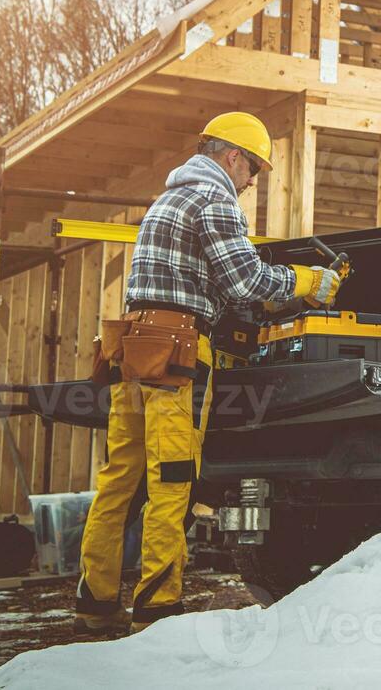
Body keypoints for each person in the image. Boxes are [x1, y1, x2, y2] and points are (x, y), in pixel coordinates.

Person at [73, 111, 338, 634]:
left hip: (132, 346)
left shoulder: (168, 199)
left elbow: (201, 282)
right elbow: (243, 282)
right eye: (254, 170)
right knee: (172, 477)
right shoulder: (215, 200)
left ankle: (96, 603)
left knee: (120, 479)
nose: (251, 183)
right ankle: (158, 609)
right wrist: (308, 281)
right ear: (232, 156)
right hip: (175, 351)